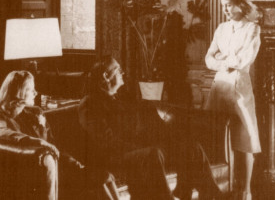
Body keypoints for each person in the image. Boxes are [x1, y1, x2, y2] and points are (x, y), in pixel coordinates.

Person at [78, 56, 195, 200]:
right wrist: (138, 147)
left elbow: (136, 127)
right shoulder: (90, 103)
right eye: (118, 70)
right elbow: (106, 141)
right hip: (113, 157)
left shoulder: (121, 97)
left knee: (188, 147)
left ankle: (209, 193)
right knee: (152, 154)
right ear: (106, 76)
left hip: (133, 149)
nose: (123, 73)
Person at [0, 70, 117, 200]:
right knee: (99, 181)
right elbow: (5, 133)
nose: (35, 93)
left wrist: (74, 163)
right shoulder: (3, 116)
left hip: (59, 166)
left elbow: (54, 145)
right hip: (37, 176)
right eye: (30, 89)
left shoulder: (33, 114)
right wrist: (40, 142)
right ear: (18, 93)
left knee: (106, 177)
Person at [205, 0, 261, 200]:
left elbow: (246, 58)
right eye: (223, 6)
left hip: (239, 87)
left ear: (241, 5)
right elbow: (208, 59)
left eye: (229, 5)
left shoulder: (252, 28)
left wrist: (224, 59)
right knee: (214, 134)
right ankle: (218, 187)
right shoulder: (221, 29)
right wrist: (224, 62)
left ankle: (246, 190)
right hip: (219, 85)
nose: (225, 10)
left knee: (245, 139)